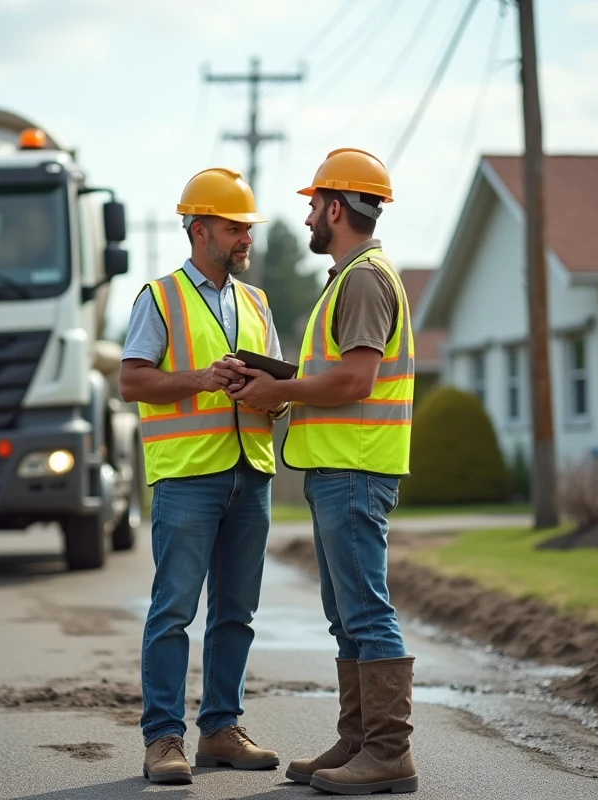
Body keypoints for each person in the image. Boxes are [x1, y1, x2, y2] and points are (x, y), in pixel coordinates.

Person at [226, 148, 419, 795]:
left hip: (355, 469)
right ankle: (360, 740)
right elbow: (338, 374)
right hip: (341, 470)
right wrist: (281, 385)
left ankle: (389, 752)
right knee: (346, 615)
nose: (308, 214)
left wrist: (281, 392)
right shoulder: (350, 278)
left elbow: (356, 378)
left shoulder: (364, 278)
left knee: (366, 612)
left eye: (313, 204)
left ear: (336, 208)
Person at [119, 167, 288, 785]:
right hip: (188, 478)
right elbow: (131, 380)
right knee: (173, 611)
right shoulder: (158, 298)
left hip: (252, 474)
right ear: (199, 230)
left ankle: (220, 729)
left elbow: (278, 394)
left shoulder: (257, 302)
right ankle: (163, 739)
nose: (246, 237)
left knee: (236, 613)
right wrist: (201, 379)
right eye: (234, 226)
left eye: (247, 227)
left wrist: (272, 395)